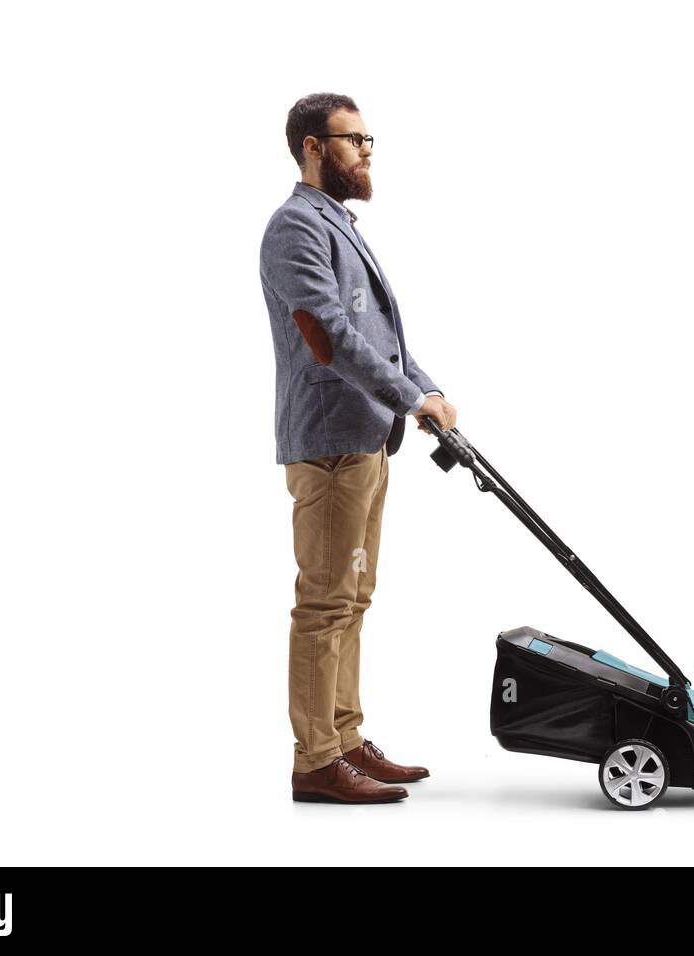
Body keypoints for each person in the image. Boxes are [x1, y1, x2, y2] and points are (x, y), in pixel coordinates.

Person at [259, 92, 457, 804]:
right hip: (331, 442)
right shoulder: (294, 229)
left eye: (369, 138)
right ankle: (315, 761)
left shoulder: (336, 222)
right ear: (313, 147)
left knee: (353, 597)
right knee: (325, 603)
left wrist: (425, 391)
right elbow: (332, 336)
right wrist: (411, 397)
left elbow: (382, 337)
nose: (367, 149)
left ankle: (343, 738)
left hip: (366, 437)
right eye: (354, 139)